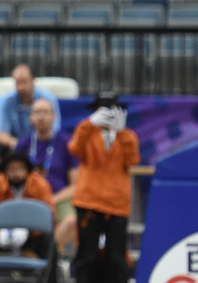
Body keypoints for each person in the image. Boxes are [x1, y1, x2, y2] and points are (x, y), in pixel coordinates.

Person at [69, 92, 140, 283]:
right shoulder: (87, 132)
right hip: (89, 201)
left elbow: (132, 160)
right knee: (87, 255)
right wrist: (89, 124)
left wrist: (122, 132)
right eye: (103, 110)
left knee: (116, 256)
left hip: (116, 203)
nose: (107, 114)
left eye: (110, 110)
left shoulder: (128, 136)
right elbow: (75, 149)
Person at [0, 151, 57, 283]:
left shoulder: (40, 185)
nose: (16, 173)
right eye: (12, 169)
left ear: (27, 171)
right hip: (1, 233)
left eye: (20, 169)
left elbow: (49, 212)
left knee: (49, 241)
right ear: (5, 171)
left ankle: (48, 280)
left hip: (32, 234)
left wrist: (29, 230)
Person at [16, 98, 79, 253]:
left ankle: (49, 255)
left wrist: (52, 200)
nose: (41, 117)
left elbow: (76, 185)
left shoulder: (67, 142)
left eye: (46, 112)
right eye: (37, 112)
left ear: (54, 117)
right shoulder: (22, 145)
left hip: (59, 198)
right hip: (29, 199)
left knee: (72, 221)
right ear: (30, 118)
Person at [0, 64, 62, 153]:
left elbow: (55, 130)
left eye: (24, 82)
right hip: (16, 146)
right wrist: (20, 144)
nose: (21, 87)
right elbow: (0, 133)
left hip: (44, 143)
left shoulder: (48, 99)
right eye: (18, 82)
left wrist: (37, 144)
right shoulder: (7, 101)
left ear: (33, 80)